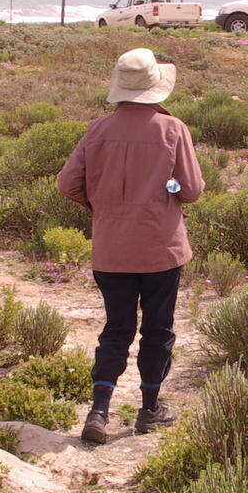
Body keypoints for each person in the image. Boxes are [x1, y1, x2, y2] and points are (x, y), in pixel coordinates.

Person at [57, 48, 206, 444]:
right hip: (161, 248)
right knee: (158, 329)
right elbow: (190, 190)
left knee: (116, 329)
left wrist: (100, 204)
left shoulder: (98, 129)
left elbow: (67, 184)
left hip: (112, 248)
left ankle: (99, 410)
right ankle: (149, 409)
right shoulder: (172, 129)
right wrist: (168, 189)